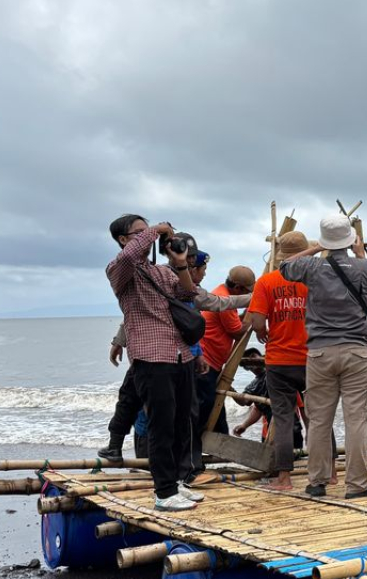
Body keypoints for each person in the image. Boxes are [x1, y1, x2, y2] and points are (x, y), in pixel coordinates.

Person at [101, 239, 247, 469]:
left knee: (157, 410)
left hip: (174, 355)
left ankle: (163, 468)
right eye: (198, 265)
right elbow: (138, 311)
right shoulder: (167, 279)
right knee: (160, 412)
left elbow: (194, 316)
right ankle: (165, 468)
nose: (203, 273)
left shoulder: (177, 282)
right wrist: (120, 340)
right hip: (163, 357)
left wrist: (197, 354)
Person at [282, 216, 367, 499]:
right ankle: (357, 484)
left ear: (325, 240)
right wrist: (361, 253)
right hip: (358, 351)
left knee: (318, 419)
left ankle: (316, 482)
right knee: (356, 420)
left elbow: (284, 267)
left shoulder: (312, 266)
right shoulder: (363, 266)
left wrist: (315, 248)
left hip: (319, 352)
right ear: (350, 238)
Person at [105, 215, 201, 510]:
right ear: (123, 239)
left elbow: (187, 293)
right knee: (161, 426)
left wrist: (180, 262)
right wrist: (157, 230)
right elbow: (130, 256)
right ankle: (163, 493)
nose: (147, 236)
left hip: (179, 354)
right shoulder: (119, 270)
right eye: (139, 232)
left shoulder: (160, 272)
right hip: (150, 356)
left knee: (181, 423)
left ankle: (177, 484)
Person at [247, 231, 311, 491]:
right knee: (316, 417)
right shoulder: (315, 279)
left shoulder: (267, 282)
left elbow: (257, 322)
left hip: (279, 360)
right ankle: (329, 473)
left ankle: (284, 478)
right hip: (312, 357)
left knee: (283, 419)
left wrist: (262, 332)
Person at [196, 262, 257, 436]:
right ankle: (192, 451)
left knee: (215, 411)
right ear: (237, 288)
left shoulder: (222, 293)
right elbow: (238, 332)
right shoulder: (225, 302)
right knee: (204, 407)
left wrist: (247, 316)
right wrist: (256, 315)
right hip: (206, 363)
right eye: (247, 292)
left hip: (211, 363)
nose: (247, 296)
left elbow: (235, 323)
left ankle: (217, 450)